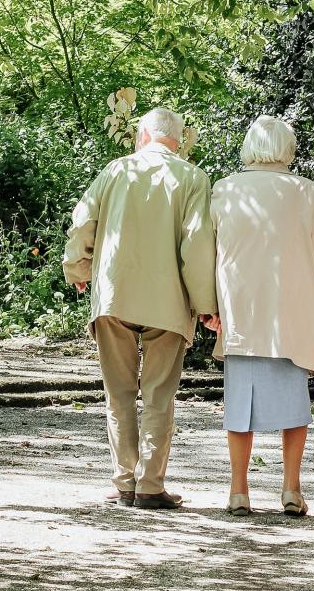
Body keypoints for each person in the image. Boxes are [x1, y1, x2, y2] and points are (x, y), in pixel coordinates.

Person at [63, 107, 217, 509]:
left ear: (142, 134)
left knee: (119, 393)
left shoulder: (115, 171)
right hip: (168, 302)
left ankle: (124, 482)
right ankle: (150, 486)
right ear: (178, 141)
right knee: (159, 395)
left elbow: (83, 223)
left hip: (115, 295)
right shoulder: (193, 178)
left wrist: (77, 267)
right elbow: (197, 245)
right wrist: (206, 305)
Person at [205, 115, 314, 517]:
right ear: (288, 149)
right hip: (292, 313)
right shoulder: (306, 193)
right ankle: (290, 489)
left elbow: (206, 255)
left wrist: (209, 307)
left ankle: (238, 491)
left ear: (249, 147)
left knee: (239, 406)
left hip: (242, 312)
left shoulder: (225, 190)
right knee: (294, 405)